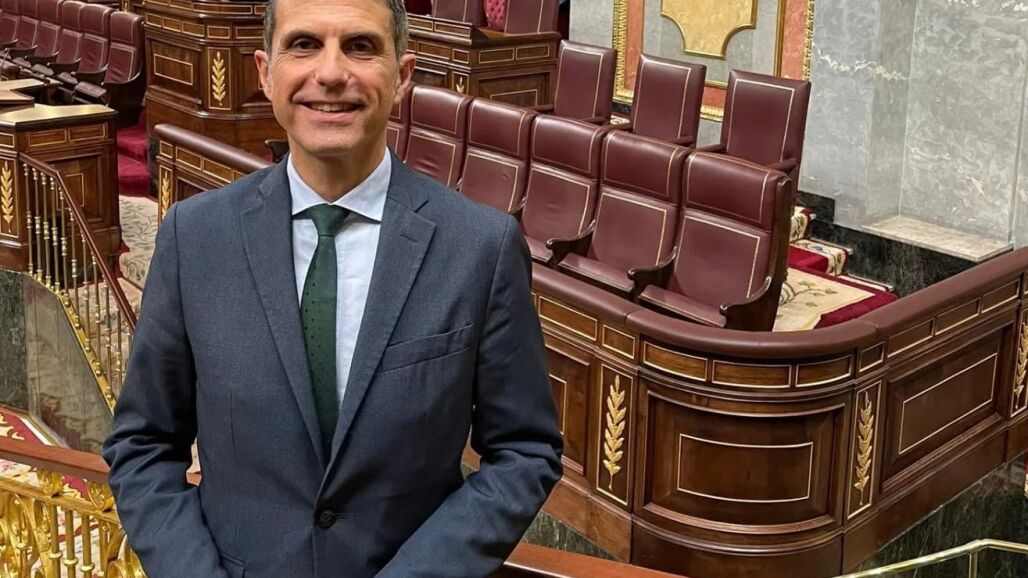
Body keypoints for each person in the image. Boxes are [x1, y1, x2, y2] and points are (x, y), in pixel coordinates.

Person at [101, 0, 563, 576]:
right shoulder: (195, 236)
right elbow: (142, 445)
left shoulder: (479, 247)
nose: (331, 73)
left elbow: (524, 451)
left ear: (403, 76)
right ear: (265, 73)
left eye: (361, 46)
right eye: (303, 45)